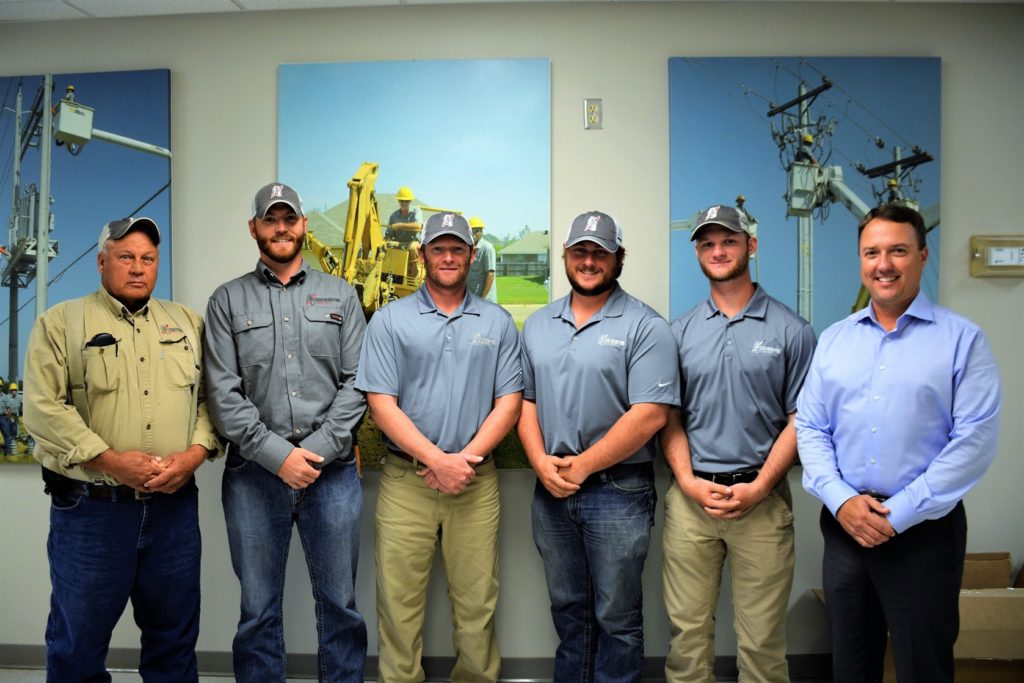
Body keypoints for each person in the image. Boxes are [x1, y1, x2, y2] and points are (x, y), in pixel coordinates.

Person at [796, 203, 1001, 683]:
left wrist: (899, 514)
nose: (883, 264)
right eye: (872, 252)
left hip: (923, 533)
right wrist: (843, 500)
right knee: (851, 666)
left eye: (898, 251)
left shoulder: (962, 341)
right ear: (861, 260)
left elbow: (974, 441)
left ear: (923, 256)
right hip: (846, 529)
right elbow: (810, 427)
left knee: (923, 667)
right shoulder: (835, 340)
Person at [23, 216, 218, 682]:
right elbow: (42, 408)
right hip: (92, 513)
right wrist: (111, 462)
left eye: (147, 258)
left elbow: (210, 403)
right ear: (102, 262)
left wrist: (193, 455)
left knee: (173, 644)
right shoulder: (60, 323)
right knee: (78, 648)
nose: (137, 268)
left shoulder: (188, 323)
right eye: (126, 257)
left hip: (173, 511)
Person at [204, 183, 368, 683]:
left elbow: (358, 384)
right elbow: (222, 396)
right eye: (270, 219)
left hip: (332, 475)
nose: (281, 227)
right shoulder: (226, 301)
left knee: (340, 606)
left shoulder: (341, 294)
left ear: (303, 226)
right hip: (253, 478)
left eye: (289, 218)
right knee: (258, 611)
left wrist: (312, 454)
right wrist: (279, 457)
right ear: (253, 228)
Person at [356, 211, 522, 683]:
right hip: (406, 482)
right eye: (438, 248)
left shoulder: (497, 321)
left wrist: (461, 463)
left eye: (457, 249)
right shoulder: (390, 320)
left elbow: (508, 403)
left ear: (472, 255)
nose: (448, 257)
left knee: (477, 605)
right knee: (399, 604)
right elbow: (381, 404)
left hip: (475, 482)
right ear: (422, 254)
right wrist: (436, 461)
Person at [518, 210, 679, 683]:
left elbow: (650, 414)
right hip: (552, 490)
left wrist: (582, 466)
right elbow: (525, 401)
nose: (589, 261)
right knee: (569, 612)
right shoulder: (539, 324)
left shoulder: (646, 326)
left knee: (617, 619)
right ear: (566, 256)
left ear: (618, 258)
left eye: (600, 253)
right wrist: (540, 463)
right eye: (580, 251)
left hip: (619, 491)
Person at [661, 205, 816, 682]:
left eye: (728, 241)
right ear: (698, 254)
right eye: (707, 244)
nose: (718, 251)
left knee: (763, 642)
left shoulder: (792, 330)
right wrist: (687, 482)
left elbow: (801, 420)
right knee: (687, 641)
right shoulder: (679, 332)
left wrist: (760, 486)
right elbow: (668, 418)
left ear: (751, 245)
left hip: (762, 503)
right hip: (692, 504)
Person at [467, 216, 498, 303]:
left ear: (481, 232)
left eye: (476, 231)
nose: (473, 234)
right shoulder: (468, 249)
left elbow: (490, 275)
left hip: (485, 300)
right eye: (471, 231)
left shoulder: (487, 248)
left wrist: (482, 299)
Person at [0, 382, 21, 455]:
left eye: (0, 386)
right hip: (6, 417)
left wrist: (10, 417)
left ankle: (9, 452)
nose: (14, 391)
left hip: (4, 417)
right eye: (13, 390)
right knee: (9, 434)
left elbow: (8, 408)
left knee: (7, 434)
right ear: (10, 390)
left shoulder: (5, 397)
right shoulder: (8, 396)